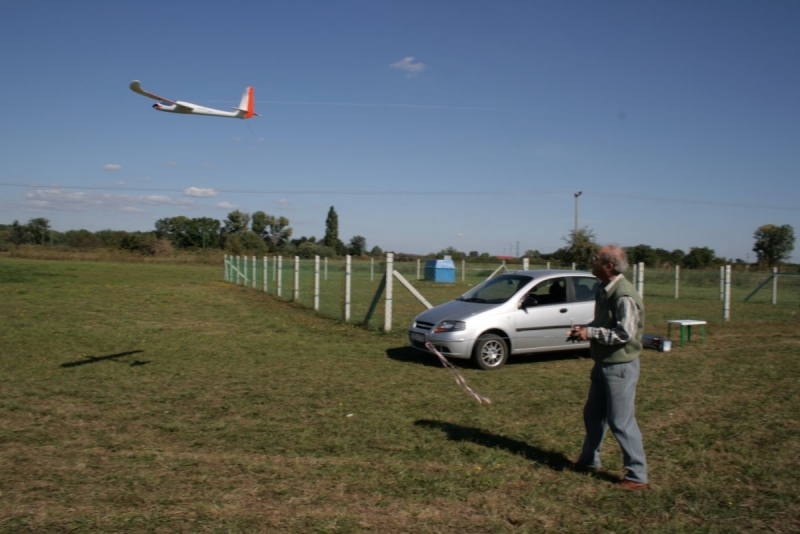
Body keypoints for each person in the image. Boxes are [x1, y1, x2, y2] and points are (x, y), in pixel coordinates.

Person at [567, 245, 649, 490]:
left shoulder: (624, 295)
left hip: (620, 367)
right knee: (593, 415)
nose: (591, 262)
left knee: (621, 422)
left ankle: (637, 475)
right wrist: (584, 331)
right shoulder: (603, 289)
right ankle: (589, 460)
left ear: (608, 266)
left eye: (595, 259)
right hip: (604, 364)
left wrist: (590, 332)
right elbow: (604, 323)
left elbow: (624, 333)